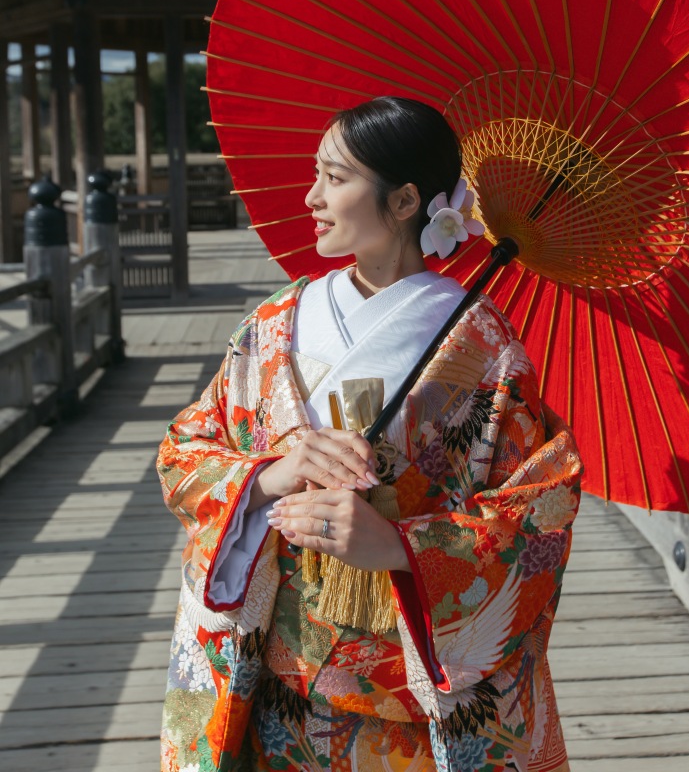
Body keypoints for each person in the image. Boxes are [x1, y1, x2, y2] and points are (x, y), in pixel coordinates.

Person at [157, 97, 582, 772]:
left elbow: (540, 513)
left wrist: (401, 547)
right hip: (278, 693)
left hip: (414, 710)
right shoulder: (275, 324)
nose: (312, 196)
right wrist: (272, 473)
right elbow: (187, 449)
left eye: (334, 177)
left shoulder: (483, 346)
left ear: (406, 199)